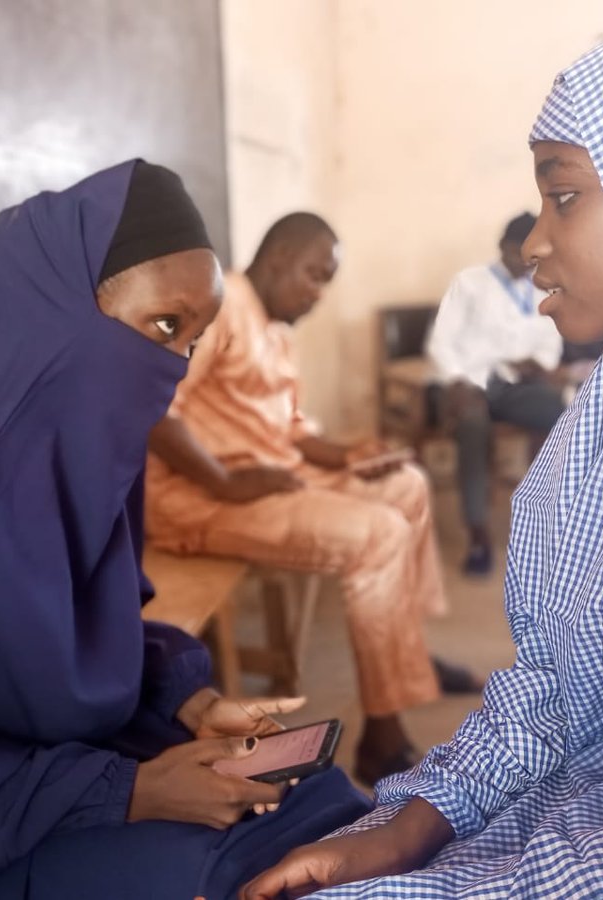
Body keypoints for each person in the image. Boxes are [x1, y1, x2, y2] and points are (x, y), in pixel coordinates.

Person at [241, 7, 603, 897]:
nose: (540, 244)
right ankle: (459, 564)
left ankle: (407, 678)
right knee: (466, 431)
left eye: (566, 194)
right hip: (461, 391)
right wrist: (417, 825)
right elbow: (567, 677)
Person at [0, 160, 371, 900]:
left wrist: (189, 702)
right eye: (164, 326)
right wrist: (131, 793)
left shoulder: (92, 450)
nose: (171, 368)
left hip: (71, 763)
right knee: (232, 873)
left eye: (192, 343)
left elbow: (85, 642)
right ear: (61, 306)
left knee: (321, 803)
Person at [146, 212, 481, 788]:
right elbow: (155, 406)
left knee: (407, 485)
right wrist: (224, 481)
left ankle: (409, 656)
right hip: (203, 497)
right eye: (314, 275)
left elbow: (294, 429)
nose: (319, 294)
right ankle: (383, 734)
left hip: (272, 478)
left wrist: (351, 456)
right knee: (379, 533)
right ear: (276, 259)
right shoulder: (220, 306)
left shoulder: (273, 328)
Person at [425, 212, 566, 575]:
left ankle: (548, 521)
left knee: (562, 412)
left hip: (513, 388)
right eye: (525, 252)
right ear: (504, 247)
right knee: (473, 428)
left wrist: (537, 364)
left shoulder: (541, 287)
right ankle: (478, 536)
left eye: (537, 254)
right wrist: (457, 382)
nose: (532, 260)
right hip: (470, 384)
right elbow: (440, 344)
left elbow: (549, 342)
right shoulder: (469, 284)